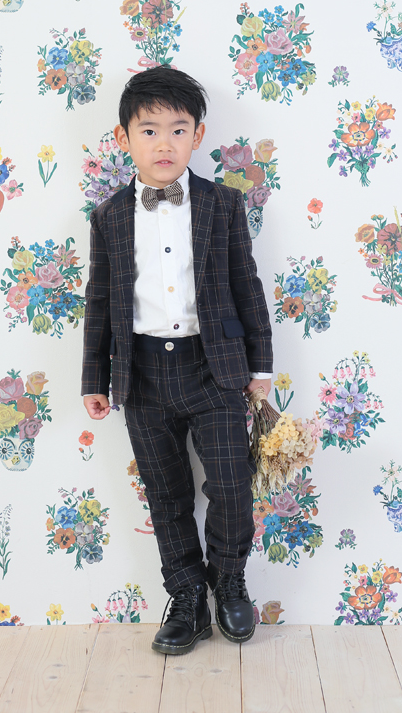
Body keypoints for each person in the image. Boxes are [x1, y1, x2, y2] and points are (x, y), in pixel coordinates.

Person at [81, 67, 272, 654]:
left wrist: (261, 369)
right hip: (141, 373)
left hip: (214, 368)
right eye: (149, 130)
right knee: (166, 495)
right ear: (124, 138)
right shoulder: (109, 215)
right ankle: (186, 595)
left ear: (198, 135)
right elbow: (100, 300)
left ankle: (229, 581)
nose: (164, 143)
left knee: (232, 486)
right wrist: (94, 378)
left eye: (178, 129)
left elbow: (247, 286)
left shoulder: (223, 205)